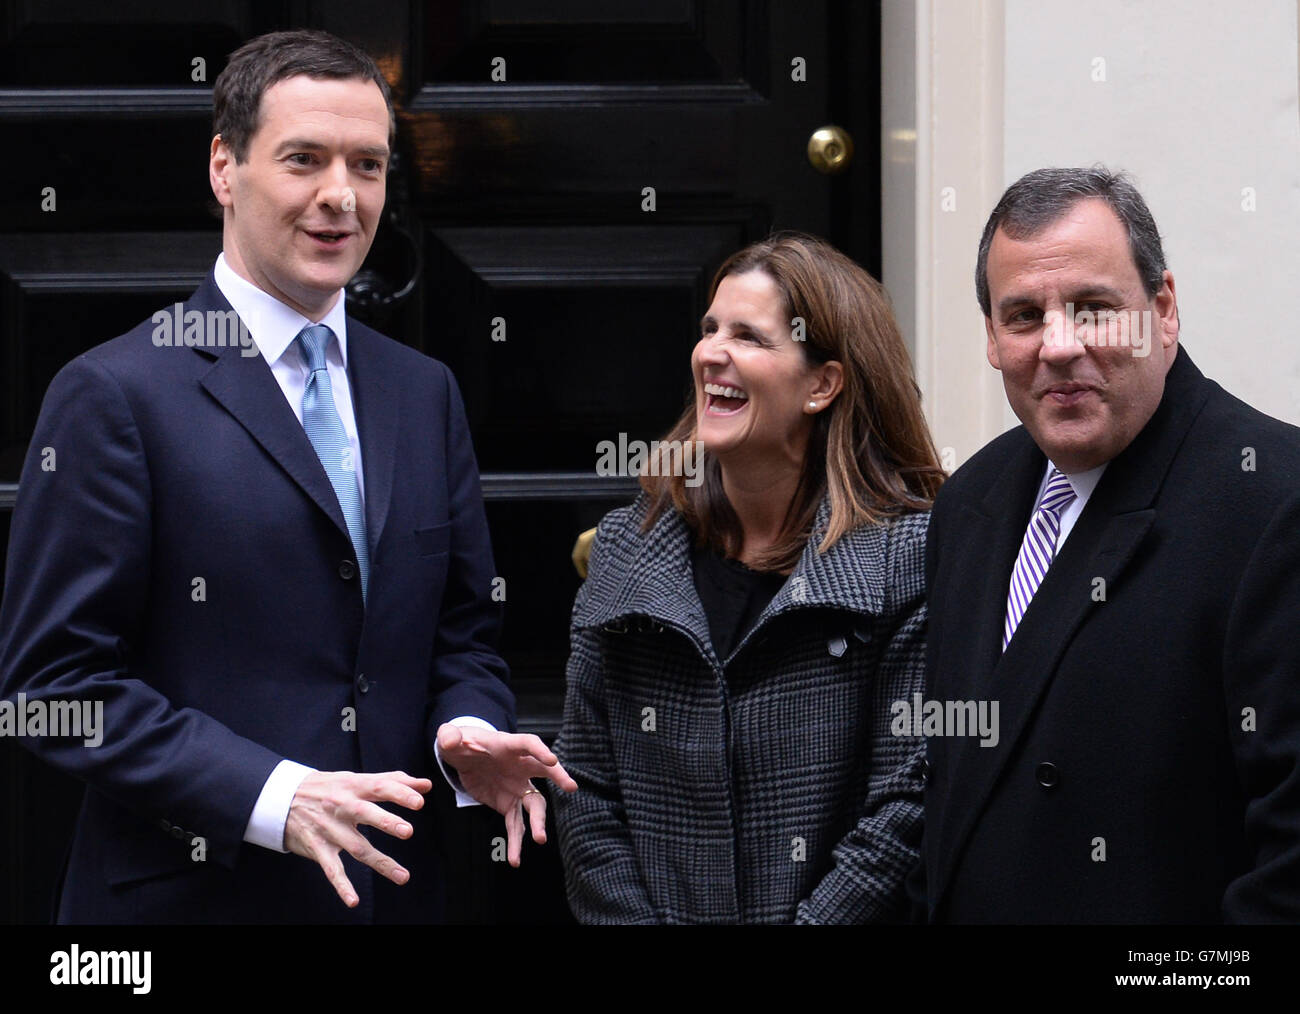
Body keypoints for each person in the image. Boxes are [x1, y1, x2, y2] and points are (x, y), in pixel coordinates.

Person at [0, 29, 574, 924]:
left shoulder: (422, 393)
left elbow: (463, 634)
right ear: (225, 168)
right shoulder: (114, 394)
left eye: (369, 166)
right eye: (303, 160)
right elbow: (53, 691)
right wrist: (276, 796)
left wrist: (464, 727)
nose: (341, 197)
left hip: (394, 902)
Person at [915, 166, 1300, 922]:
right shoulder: (968, 503)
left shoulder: (1272, 502)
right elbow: (951, 784)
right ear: (992, 338)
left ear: (1163, 309)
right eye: (1024, 316)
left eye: (1093, 309)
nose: (1058, 347)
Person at [552, 232, 945, 923]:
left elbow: (905, 806)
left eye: (749, 337)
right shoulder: (627, 548)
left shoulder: (907, 561)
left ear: (823, 384)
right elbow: (583, 785)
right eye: (709, 330)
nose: (713, 354)